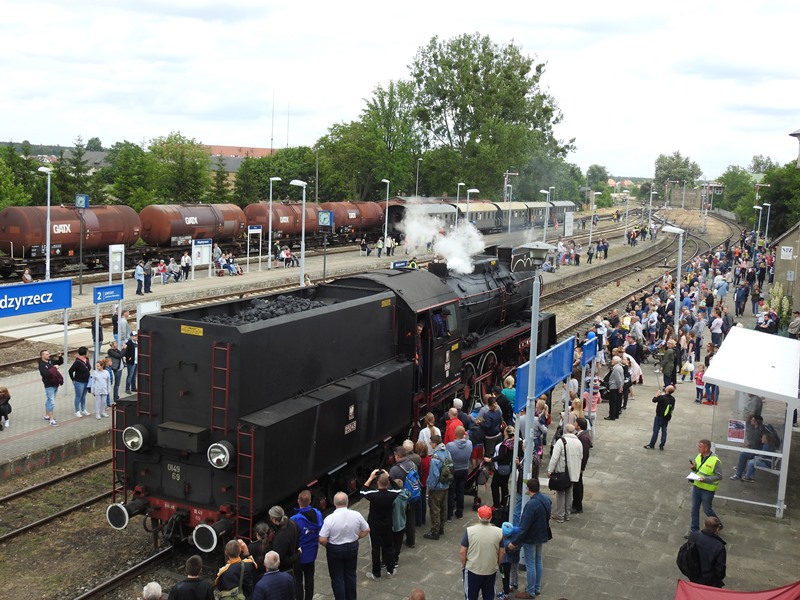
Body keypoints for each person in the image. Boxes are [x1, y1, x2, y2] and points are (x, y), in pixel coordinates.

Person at [319, 491, 370, 600]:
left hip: (335, 549)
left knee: (337, 578)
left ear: (334, 503)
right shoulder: (356, 515)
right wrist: (357, 537)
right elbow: (366, 530)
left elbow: (322, 539)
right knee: (351, 575)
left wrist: (329, 546)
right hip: (352, 547)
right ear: (347, 502)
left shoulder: (329, 519)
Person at [507, 479, 551, 599]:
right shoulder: (546, 500)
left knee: (530, 563)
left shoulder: (531, 505)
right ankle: (537, 587)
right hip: (541, 535)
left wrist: (514, 542)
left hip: (531, 537)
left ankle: (530, 591)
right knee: (538, 560)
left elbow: (524, 527)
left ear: (528, 489)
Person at [361, 469, 399, 579]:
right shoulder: (392, 494)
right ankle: (390, 570)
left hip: (375, 525)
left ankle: (376, 573)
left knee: (376, 549)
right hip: (387, 524)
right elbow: (398, 489)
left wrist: (371, 477)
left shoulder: (373, 495)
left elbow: (362, 491)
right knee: (388, 547)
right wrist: (389, 477)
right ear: (387, 483)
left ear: (378, 483)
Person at [459, 505, 504, 600]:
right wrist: (497, 564)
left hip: (473, 570)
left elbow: (462, 551)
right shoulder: (499, 532)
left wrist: (463, 565)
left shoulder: (469, 531)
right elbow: (502, 552)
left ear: (478, 516)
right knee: (489, 597)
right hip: (490, 570)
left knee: (471, 596)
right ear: (491, 517)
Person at [546, 423, 583, 523]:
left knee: (561, 493)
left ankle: (560, 515)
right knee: (569, 493)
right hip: (573, 472)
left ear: (565, 430)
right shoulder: (578, 442)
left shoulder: (561, 442)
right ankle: (567, 514)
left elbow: (554, 458)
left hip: (562, 472)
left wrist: (550, 470)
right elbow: (581, 457)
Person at [290, 490, 322, 600]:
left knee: (298, 581)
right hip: (312, 552)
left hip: (299, 555)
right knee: (309, 579)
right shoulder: (317, 514)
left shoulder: (294, 520)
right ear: (310, 501)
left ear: (298, 501)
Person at [688, 439, 723, 534]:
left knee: (707, 510)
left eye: (700, 446)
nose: (698, 448)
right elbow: (699, 470)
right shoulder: (699, 456)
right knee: (694, 509)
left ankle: (718, 525)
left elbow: (719, 476)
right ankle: (694, 531)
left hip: (707, 489)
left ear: (706, 448)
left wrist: (705, 479)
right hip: (697, 486)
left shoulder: (715, 460)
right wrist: (694, 468)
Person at [388, 446, 417, 548]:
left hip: (399, 499)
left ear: (398, 456)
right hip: (411, 495)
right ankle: (411, 541)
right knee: (411, 518)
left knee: (398, 520)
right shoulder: (413, 464)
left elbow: (390, 486)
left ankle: (395, 543)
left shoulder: (395, 469)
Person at [424, 435, 451, 540]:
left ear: (435, 443)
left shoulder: (435, 458)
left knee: (435, 509)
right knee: (444, 507)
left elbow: (434, 475)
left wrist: (430, 487)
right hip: (446, 485)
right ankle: (441, 528)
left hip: (437, 488)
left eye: (431, 443)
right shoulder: (447, 452)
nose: (430, 444)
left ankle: (435, 531)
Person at [687, 517, 726, 588]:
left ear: (704, 525)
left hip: (694, 574)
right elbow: (720, 569)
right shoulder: (719, 546)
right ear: (717, 529)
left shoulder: (694, 536)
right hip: (709, 580)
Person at [446, 425, 472, 520]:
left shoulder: (450, 446)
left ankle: (449, 513)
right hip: (464, 469)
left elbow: (447, 459)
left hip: (454, 470)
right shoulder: (469, 443)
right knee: (460, 491)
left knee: (451, 492)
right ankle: (459, 512)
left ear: (455, 434)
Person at [486, 425, 515, 509]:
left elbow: (501, 456)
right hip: (508, 467)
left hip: (500, 467)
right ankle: (504, 503)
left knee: (494, 485)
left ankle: (496, 504)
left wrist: (490, 459)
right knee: (504, 485)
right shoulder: (514, 443)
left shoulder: (504, 445)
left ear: (505, 433)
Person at [268, 506, 300, 573]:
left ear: (274, 519)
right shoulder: (292, 523)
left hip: (285, 569)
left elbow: (280, 559)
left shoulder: (280, 538)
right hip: (294, 562)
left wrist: (296, 555)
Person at [643, 385, 676, 450]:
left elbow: (654, 400)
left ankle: (652, 444)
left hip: (659, 416)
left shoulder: (662, 397)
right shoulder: (673, 399)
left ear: (667, 390)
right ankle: (662, 445)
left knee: (656, 430)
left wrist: (657, 394)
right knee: (664, 430)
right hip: (666, 417)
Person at [38, 349, 64, 426]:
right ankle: (51, 419)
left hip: (55, 383)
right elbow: (46, 374)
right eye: (46, 354)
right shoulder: (41, 365)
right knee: (51, 402)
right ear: (42, 356)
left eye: (48, 354)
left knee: (49, 400)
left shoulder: (50, 361)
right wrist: (54, 368)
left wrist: (60, 357)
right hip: (49, 385)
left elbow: (60, 362)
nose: (48, 355)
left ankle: (47, 415)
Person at [571, 417, 592, 514]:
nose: (574, 424)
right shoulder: (582, 435)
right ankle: (576, 503)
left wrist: (582, 468)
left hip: (578, 465)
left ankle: (577, 505)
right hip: (578, 464)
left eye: (575, 423)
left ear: (578, 426)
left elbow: (585, 454)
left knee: (577, 485)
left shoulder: (583, 438)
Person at [68, 346, 91, 418]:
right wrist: (73, 379)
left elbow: (88, 368)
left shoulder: (87, 359)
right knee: (78, 396)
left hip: (86, 381)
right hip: (79, 382)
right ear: (84, 353)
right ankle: (77, 411)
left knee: (83, 396)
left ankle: (83, 409)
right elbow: (70, 371)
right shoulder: (77, 362)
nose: (88, 353)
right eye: (87, 352)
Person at [604, 356, 624, 421]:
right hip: (616, 386)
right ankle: (615, 415)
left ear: (616, 361)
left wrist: (619, 387)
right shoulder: (619, 367)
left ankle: (612, 416)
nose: (611, 361)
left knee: (612, 402)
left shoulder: (616, 369)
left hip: (614, 386)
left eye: (613, 360)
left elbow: (618, 379)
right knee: (616, 401)